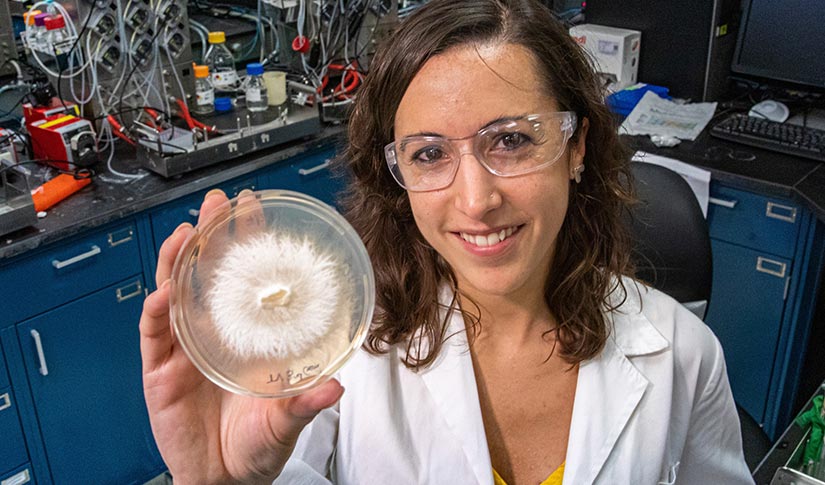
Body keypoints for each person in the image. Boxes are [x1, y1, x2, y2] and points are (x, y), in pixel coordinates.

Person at [139, 0, 754, 483]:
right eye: (429, 154)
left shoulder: (684, 355)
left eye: (511, 139)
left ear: (577, 147)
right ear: (397, 176)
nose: (476, 200)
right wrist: (219, 484)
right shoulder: (332, 357)